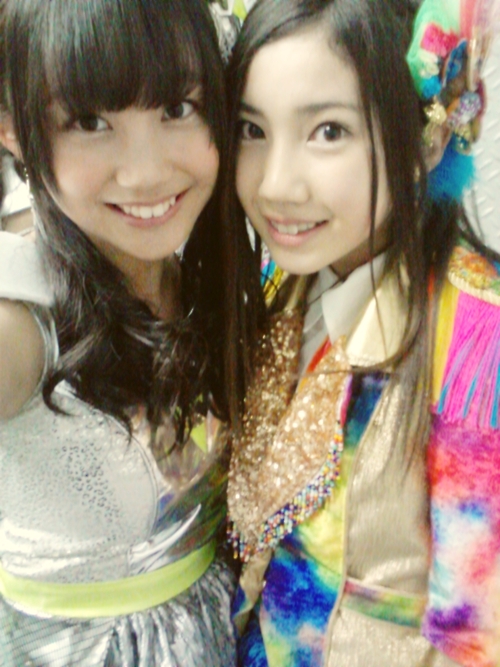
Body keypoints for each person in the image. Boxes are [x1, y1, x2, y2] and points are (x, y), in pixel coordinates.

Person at [225, 0, 500, 665]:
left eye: (328, 131)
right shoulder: (282, 274)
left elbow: (475, 632)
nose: (276, 184)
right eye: (252, 129)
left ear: (426, 139)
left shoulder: (475, 334)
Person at [0, 0, 261, 665]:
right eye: (90, 122)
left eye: (176, 108)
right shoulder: (23, 312)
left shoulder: (208, 253)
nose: (145, 173)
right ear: (15, 130)